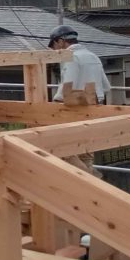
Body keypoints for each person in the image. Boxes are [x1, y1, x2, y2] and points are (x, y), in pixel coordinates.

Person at [49, 24, 110, 176]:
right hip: (96, 107)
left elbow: (66, 89)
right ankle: (90, 177)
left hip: (77, 109)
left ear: (61, 41)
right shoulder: (93, 56)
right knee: (86, 150)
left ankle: (88, 179)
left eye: (54, 46)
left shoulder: (71, 57)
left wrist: (52, 108)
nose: (55, 51)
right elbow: (106, 86)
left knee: (61, 148)